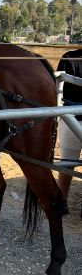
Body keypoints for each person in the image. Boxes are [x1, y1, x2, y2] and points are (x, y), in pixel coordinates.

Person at [56, 46, 82, 214]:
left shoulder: (69, 57)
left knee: (67, 163)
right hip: (71, 116)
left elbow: (58, 87)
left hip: (71, 117)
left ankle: (61, 201)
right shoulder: (69, 57)